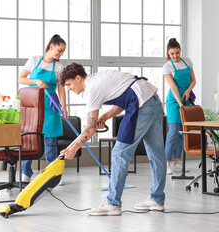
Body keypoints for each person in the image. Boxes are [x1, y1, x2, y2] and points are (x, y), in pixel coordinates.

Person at [59, 63, 166, 216]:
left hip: (142, 106)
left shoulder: (92, 89)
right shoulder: (99, 78)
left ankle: (112, 203)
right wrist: (104, 116)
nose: (69, 88)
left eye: (69, 84)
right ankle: (157, 199)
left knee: (119, 153)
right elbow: (125, 98)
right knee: (157, 154)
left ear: (78, 78)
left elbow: (90, 129)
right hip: (153, 101)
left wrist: (73, 148)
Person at [18, 34, 67, 185]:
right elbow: (21, 79)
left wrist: (64, 107)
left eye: (62, 52)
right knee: (29, 140)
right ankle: (26, 173)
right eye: (59, 51)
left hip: (50, 105)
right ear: (51, 46)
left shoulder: (59, 67)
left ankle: (52, 175)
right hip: (32, 105)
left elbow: (61, 88)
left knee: (50, 142)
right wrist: (37, 81)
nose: (60, 54)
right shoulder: (34, 60)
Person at [163, 38, 196, 175]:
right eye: (172, 54)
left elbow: (193, 80)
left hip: (186, 99)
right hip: (174, 102)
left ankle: (177, 162)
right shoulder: (167, 67)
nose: (175, 56)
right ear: (168, 54)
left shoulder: (187, 61)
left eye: (177, 53)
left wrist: (188, 91)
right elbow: (173, 87)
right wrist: (180, 104)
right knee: (173, 132)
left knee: (183, 133)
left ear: (180, 51)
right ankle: (166, 163)